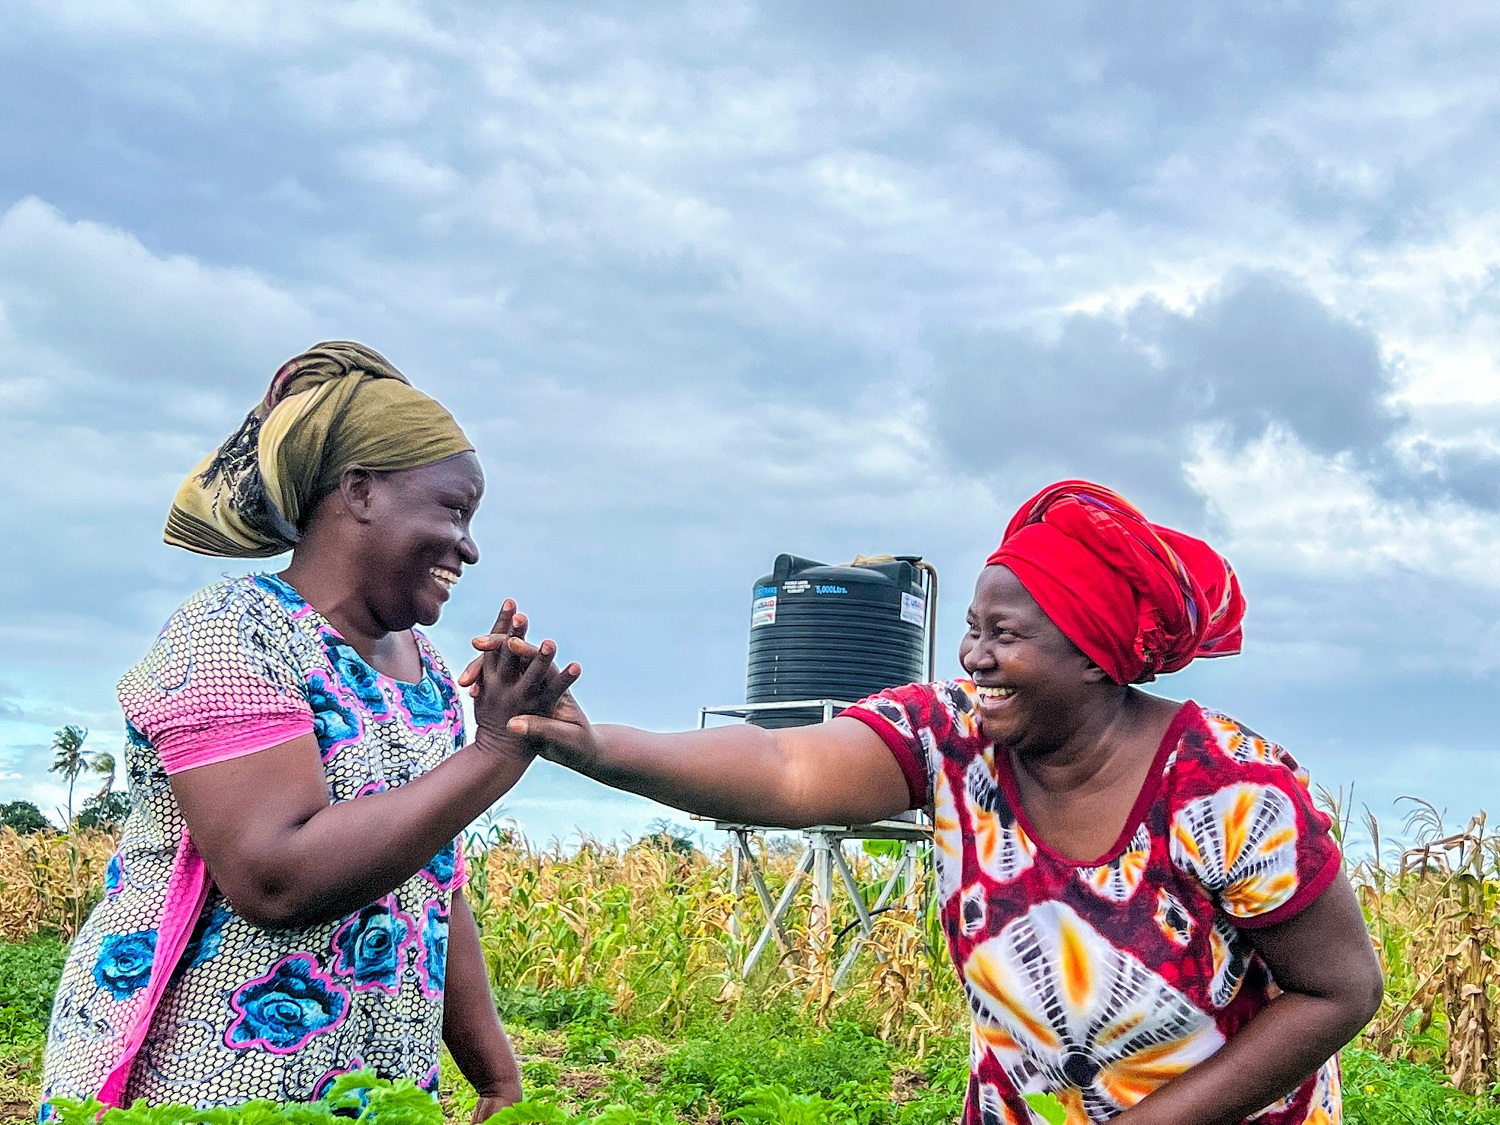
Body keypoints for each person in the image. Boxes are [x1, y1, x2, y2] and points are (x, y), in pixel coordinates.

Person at [496, 481, 1383, 1125]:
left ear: (1092, 653)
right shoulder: (951, 740)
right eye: (971, 627)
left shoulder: (1230, 788)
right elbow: (784, 765)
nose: (973, 657)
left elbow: (1338, 989)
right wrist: (601, 746)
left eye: (1006, 635)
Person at [41, 343, 578, 1120]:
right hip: (206, 1083)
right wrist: (493, 755)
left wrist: (496, 1075)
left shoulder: (426, 671)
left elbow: (434, 880)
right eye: (454, 510)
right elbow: (273, 875)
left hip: (374, 1090)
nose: (469, 544)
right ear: (359, 491)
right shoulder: (235, 631)